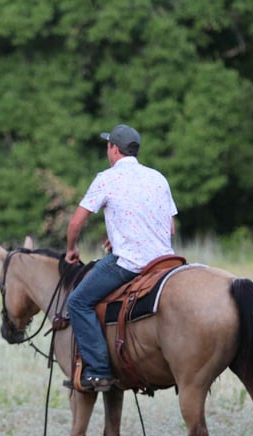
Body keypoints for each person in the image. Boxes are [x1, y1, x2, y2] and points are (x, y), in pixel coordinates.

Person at [65, 124, 177, 392]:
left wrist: (71, 249)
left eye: (108, 146)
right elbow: (170, 228)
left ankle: (99, 371)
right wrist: (119, 236)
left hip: (130, 263)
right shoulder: (157, 177)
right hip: (165, 262)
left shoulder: (107, 178)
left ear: (114, 148)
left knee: (77, 302)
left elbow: (76, 223)